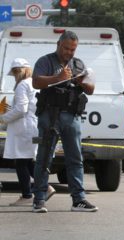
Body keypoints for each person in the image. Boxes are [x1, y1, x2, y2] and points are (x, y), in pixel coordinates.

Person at [31, 31, 97, 213]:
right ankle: (39, 199)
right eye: (66, 48)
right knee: (44, 157)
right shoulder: (45, 61)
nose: (69, 52)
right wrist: (57, 78)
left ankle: (79, 200)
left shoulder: (78, 64)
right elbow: (36, 82)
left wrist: (82, 82)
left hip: (72, 116)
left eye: (73, 49)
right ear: (58, 45)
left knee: (75, 158)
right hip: (50, 115)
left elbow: (91, 89)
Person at [0, 58, 55, 206]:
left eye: (15, 72)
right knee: (28, 160)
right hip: (32, 127)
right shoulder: (34, 83)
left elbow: (21, 109)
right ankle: (46, 187)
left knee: (21, 163)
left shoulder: (22, 85)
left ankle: (27, 195)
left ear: (19, 71)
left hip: (23, 129)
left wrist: (3, 118)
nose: (14, 76)